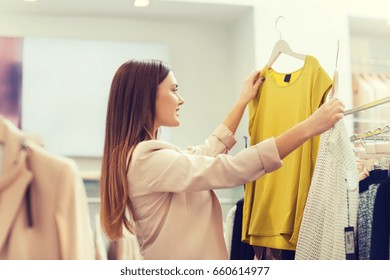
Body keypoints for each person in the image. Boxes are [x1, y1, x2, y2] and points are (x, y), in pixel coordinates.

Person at [100, 59, 344, 260]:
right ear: (146, 97)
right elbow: (232, 169)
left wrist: (243, 100)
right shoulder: (147, 160)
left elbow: (209, 151)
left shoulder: (148, 157)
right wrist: (309, 127)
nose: (181, 99)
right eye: (174, 90)